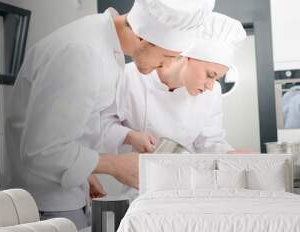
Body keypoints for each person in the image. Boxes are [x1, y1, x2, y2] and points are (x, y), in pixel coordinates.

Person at [5, 0, 214, 229]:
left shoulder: (105, 46)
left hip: (66, 193)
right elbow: (41, 151)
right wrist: (113, 165)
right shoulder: (82, 52)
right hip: (45, 205)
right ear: (143, 37)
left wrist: (94, 165)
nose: (166, 65)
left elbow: (80, 126)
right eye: (167, 55)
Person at [103, 12, 247, 157]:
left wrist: (230, 154)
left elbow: (210, 140)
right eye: (210, 75)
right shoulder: (128, 77)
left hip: (184, 173)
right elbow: (102, 124)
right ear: (188, 57)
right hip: (135, 173)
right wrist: (129, 136)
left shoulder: (212, 92)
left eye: (216, 79)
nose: (210, 86)